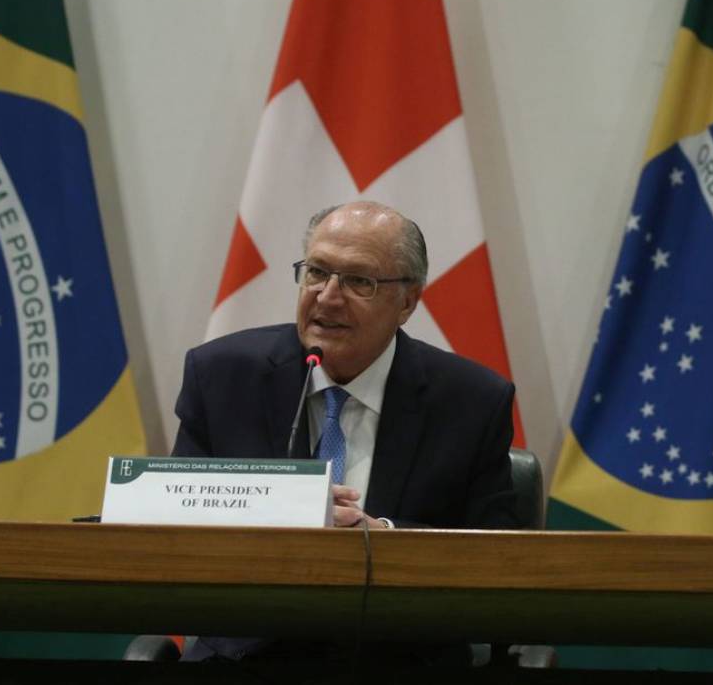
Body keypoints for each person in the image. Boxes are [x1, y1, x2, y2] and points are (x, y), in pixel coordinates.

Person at [173, 200, 520, 531]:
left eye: (358, 280)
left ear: (407, 302)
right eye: (317, 272)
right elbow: (174, 519)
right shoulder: (221, 379)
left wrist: (384, 538)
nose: (327, 297)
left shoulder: (473, 404)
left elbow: (494, 553)